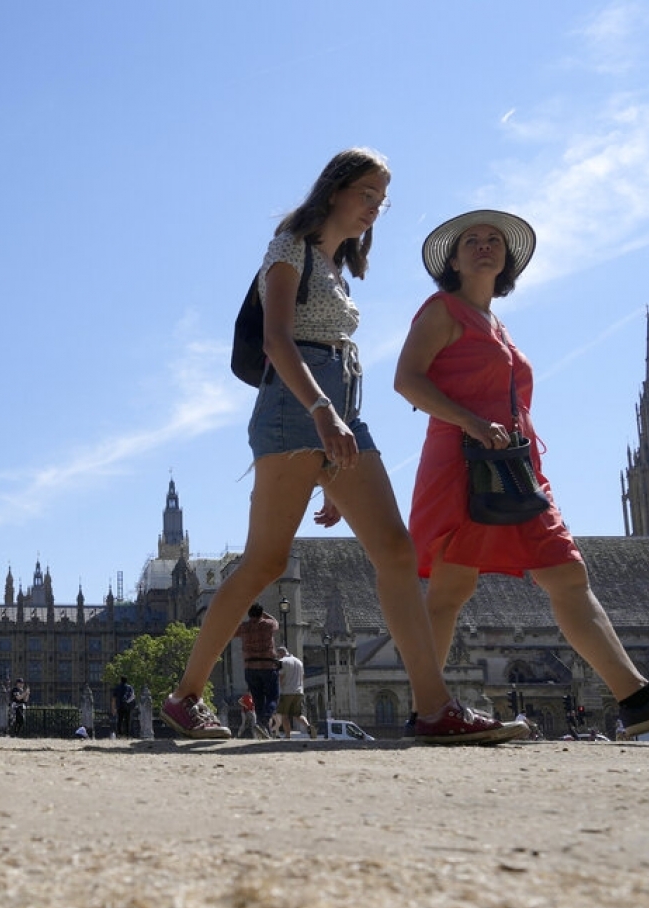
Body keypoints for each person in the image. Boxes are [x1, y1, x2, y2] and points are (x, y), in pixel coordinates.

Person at [160, 149, 524, 745]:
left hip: (344, 411)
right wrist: (322, 413)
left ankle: (434, 707)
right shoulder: (289, 249)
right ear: (334, 190)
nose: (374, 209)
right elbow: (279, 341)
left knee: (395, 552)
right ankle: (186, 696)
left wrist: (334, 451)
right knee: (264, 562)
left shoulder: (336, 266)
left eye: (382, 200)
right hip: (299, 407)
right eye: (367, 194)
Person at [393, 209, 649, 739]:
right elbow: (407, 381)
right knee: (450, 588)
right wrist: (471, 422)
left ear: (506, 260)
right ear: (454, 259)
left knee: (566, 572)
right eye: (473, 241)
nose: (485, 247)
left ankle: (635, 695)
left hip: (516, 466)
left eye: (495, 241)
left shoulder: (497, 325)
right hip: (462, 462)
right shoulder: (441, 311)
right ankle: (430, 709)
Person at [237, 605, 281, 735]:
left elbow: (232, 632)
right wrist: (264, 614)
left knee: (258, 699)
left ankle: (264, 728)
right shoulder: (268, 625)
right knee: (273, 697)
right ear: (261, 614)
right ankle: (264, 720)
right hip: (267, 666)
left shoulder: (244, 628)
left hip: (250, 667)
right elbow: (276, 622)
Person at [274, 645, 314, 739]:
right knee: (298, 714)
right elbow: (303, 677)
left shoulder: (282, 662)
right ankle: (308, 726)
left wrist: (279, 688)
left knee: (285, 715)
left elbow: (281, 676)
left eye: (278, 655)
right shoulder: (299, 661)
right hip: (299, 691)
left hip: (287, 691)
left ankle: (288, 735)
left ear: (281, 654)